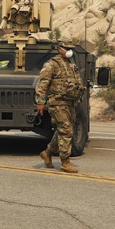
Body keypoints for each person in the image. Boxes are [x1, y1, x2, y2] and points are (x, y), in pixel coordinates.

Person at [34, 41, 85, 173]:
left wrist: (78, 98)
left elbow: (76, 83)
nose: (70, 51)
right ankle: (65, 162)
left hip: (70, 103)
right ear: (59, 49)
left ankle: (47, 152)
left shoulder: (71, 65)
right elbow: (42, 84)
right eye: (67, 48)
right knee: (66, 130)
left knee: (63, 131)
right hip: (57, 103)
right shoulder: (51, 65)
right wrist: (40, 101)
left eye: (71, 49)